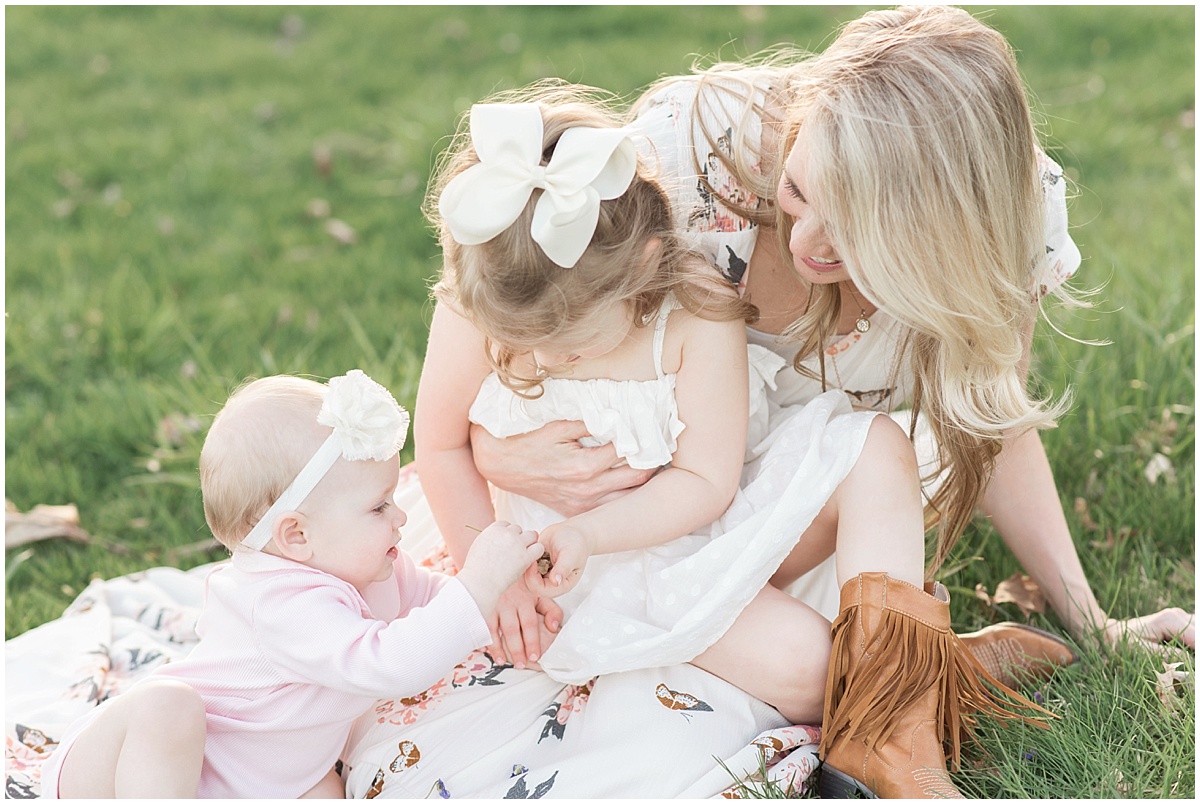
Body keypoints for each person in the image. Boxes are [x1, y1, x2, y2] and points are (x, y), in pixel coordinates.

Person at [462, 4, 1194, 797]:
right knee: (800, 668)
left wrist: (1088, 615)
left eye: (858, 236)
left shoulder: (1013, 218)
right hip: (632, 520)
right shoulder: (691, 149)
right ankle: (930, 682)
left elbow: (993, 419)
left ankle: (896, 711)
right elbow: (510, 304)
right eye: (801, 192)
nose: (809, 242)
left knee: (871, 458)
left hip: (787, 515)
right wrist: (485, 450)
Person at [412, 85, 1043, 799]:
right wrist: (491, 580)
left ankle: (896, 731)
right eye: (531, 347)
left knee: (875, 444)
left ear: (644, 268)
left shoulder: (695, 311)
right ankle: (941, 680)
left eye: (572, 347)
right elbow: (438, 446)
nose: (551, 362)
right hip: (574, 564)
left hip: (687, 520)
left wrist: (592, 529)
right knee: (810, 666)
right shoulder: (491, 285)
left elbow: (708, 482)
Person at [39, 370, 546, 798]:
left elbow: (437, 607)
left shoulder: (369, 569)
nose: (399, 518)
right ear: (297, 535)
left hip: (265, 781)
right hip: (130, 770)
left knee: (326, 788)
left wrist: (512, 592)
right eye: (378, 506)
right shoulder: (281, 602)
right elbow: (391, 663)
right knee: (169, 704)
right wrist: (478, 583)